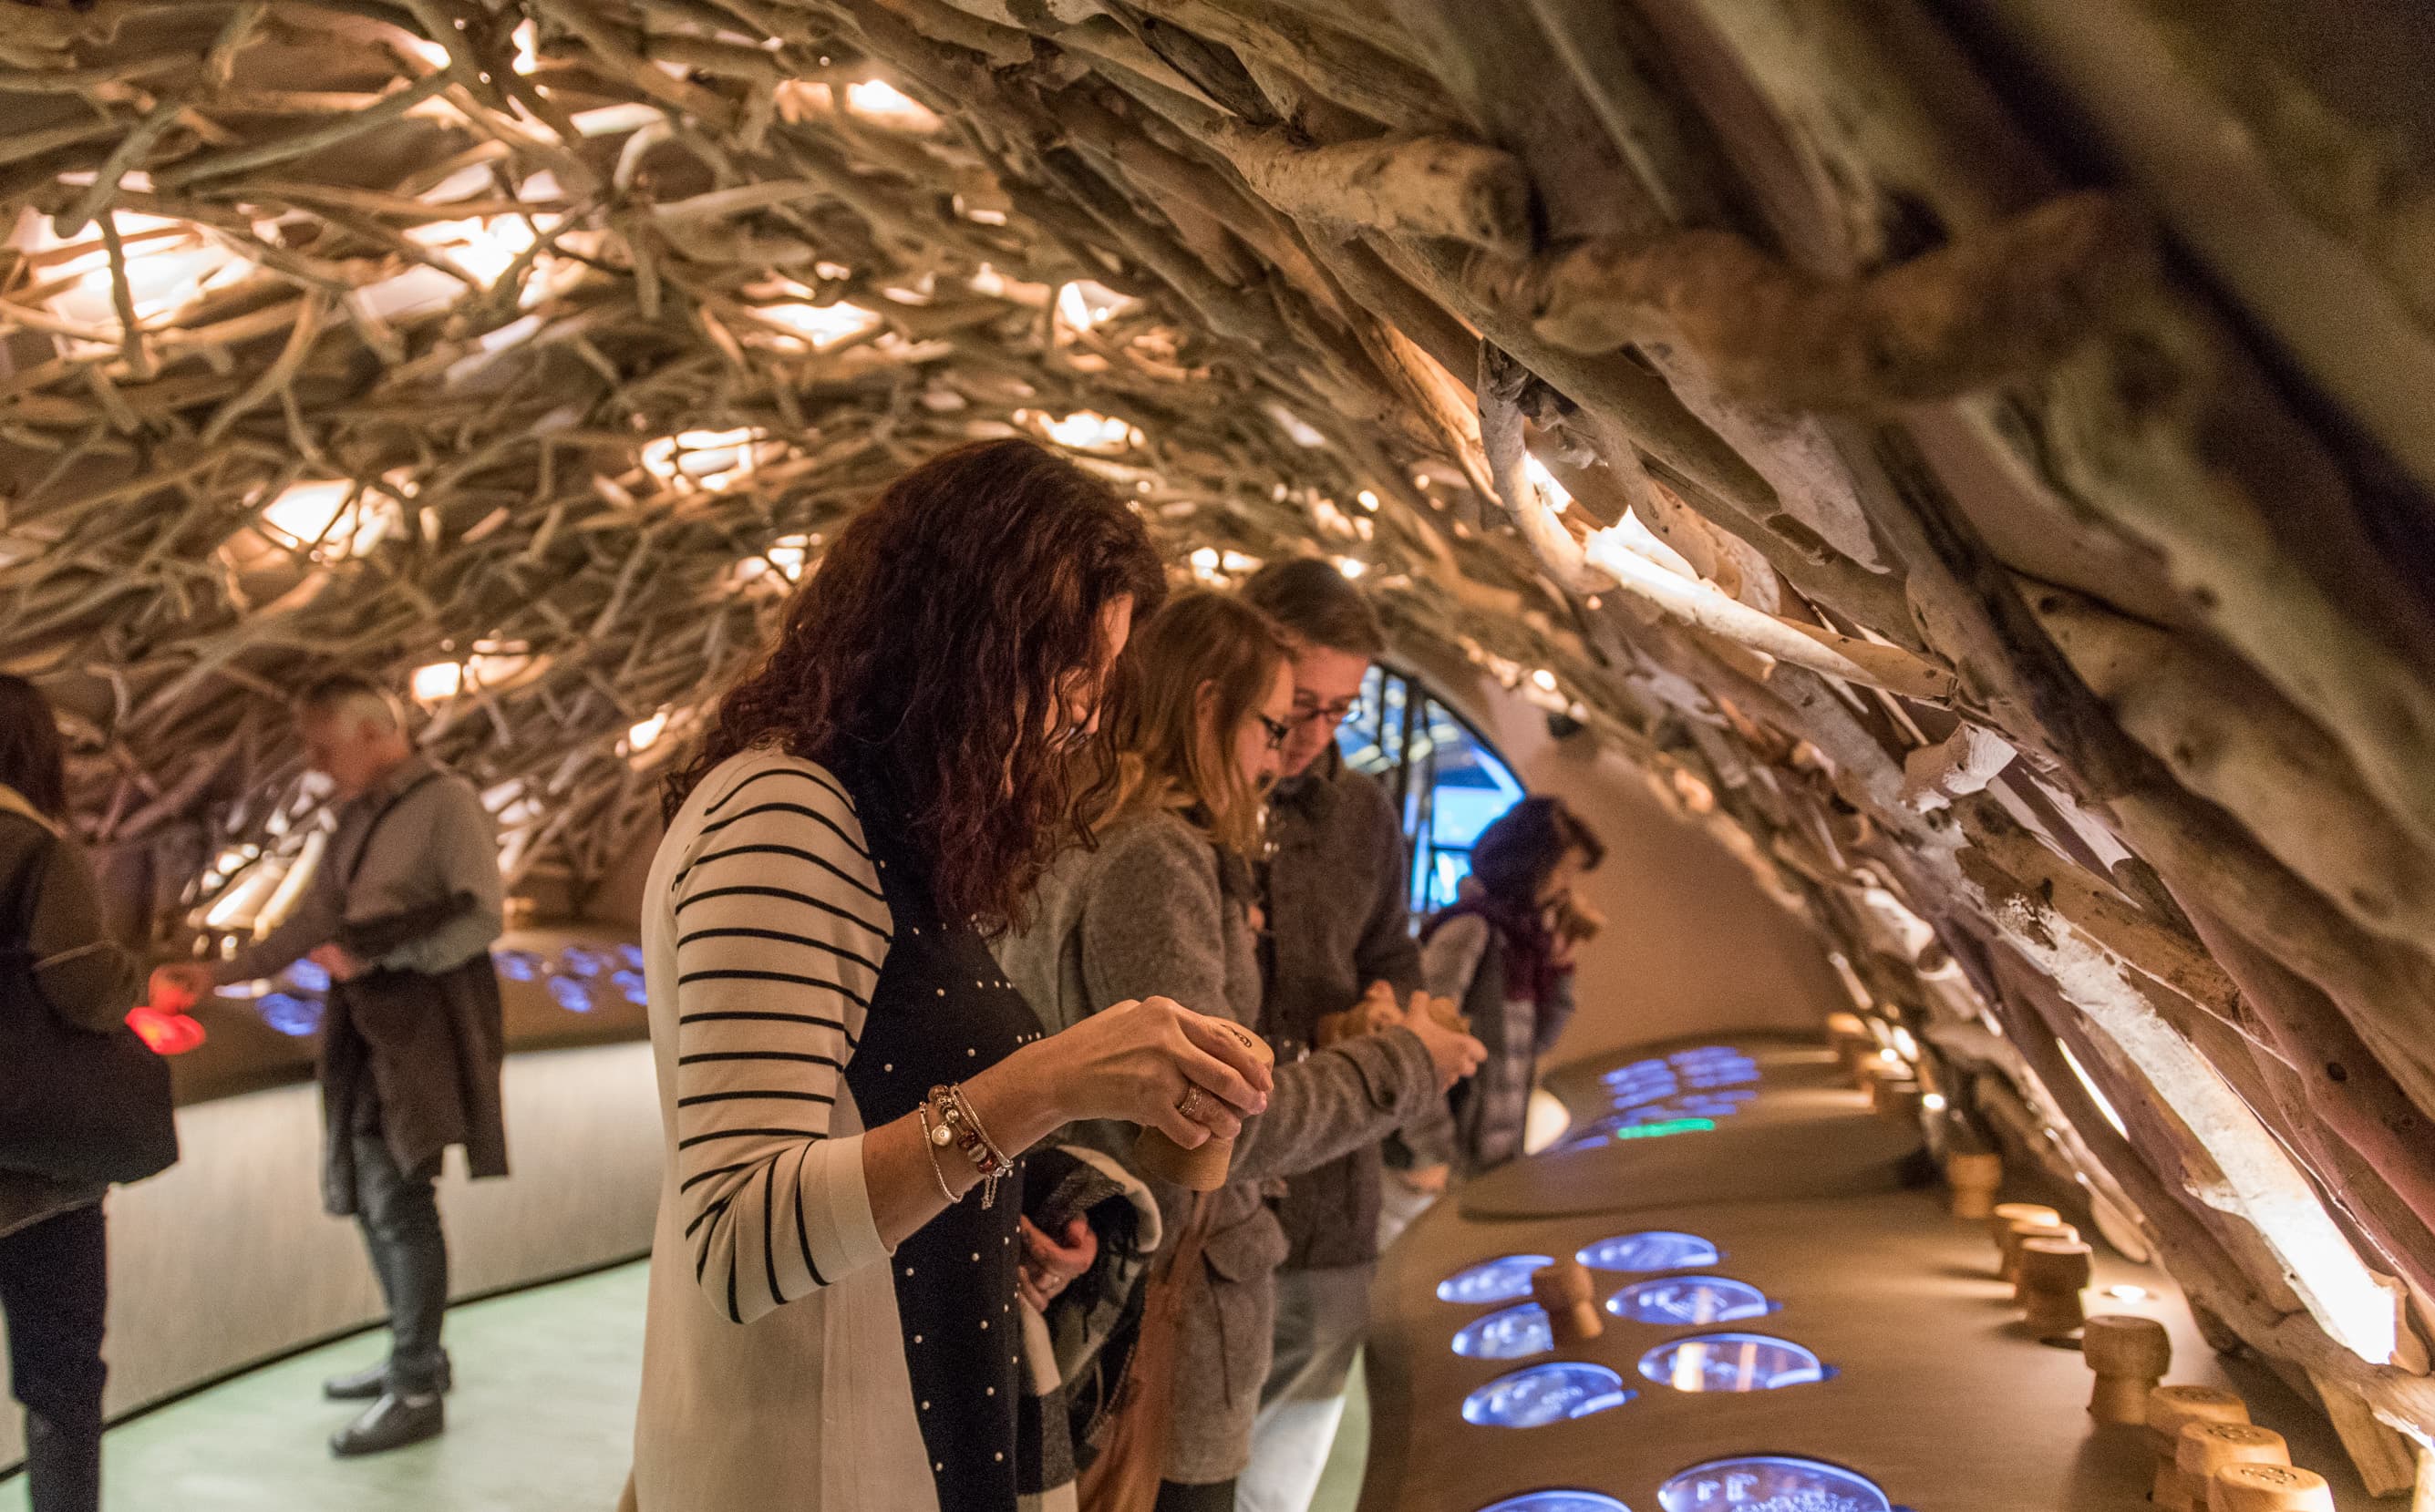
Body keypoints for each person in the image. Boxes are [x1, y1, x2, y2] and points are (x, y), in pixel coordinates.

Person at [627, 438, 1273, 1512]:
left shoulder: (881, 825)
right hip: (812, 1457)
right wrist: (1052, 1082)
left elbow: (867, 1120)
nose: (1084, 716)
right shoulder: (788, 819)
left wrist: (1001, 1210)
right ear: (970, 641)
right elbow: (740, 1237)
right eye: (1074, 671)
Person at [997, 591, 1483, 1512]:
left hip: (1146, 1269)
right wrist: (1408, 1063)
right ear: (1207, 705)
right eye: (1278, 720)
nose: (1283, 751)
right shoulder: (1154, 855)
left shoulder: (1086, 829)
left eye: (1329, 715)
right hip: (1158, 1291)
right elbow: (1219, 1118)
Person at [150, 674, 508, 1456]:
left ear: (377, 730)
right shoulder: (357, 813)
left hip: (416, 1028)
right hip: (369, 1027)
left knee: (400, 1198)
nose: (314, 764)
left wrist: (382, 958)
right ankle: (416, 1360)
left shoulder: (446, 803)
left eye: (323, 745)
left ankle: (415, 1383)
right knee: (381, 1193)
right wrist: (223, 971)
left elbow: (482, 914)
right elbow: (313, 917)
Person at [1232, 560, 1430, 1512]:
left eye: (1341, 711)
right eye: (1298, 707)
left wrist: (1384, 1009)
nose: (1314, 737)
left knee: (1281, 1485)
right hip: (1202, 1211)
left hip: (1329, 1202)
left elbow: (1395, 949)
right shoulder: (1181, 809)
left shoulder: (1363, 814)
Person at [0, 676, 146, 1512]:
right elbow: (85, 989)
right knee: (59, 1378)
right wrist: (136, 969)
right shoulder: (36, 850)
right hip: (37, 1170)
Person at [1421, 795, 1605, 1174]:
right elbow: (1422, 1043)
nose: (1564, 889)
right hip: (1452, 1161)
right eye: (1561, 872)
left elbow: (1536, 1043)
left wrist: (1562, 967)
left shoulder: (1521, 944)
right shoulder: (1471, 929)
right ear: (1531, 866)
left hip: (1492, 1155)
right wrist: (1436, 1153)